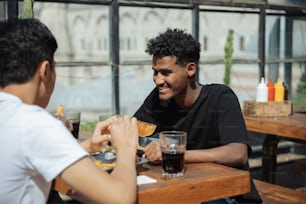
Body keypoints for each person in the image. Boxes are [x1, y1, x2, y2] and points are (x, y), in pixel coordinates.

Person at [0, 18, 138, 204]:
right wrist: (126, 148)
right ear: (45, 70)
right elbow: (120, 199)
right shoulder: (34, 123)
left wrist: (86, 147)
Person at [133, 28, 262, 203]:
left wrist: (173, 153)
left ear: (190, 69)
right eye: (155, 72)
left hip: (229, 195)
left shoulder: (221, 97)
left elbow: (238, 153)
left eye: (166, 72)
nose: (157, 79)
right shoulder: (159, 98)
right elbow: (135, 129)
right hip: (186, 190)